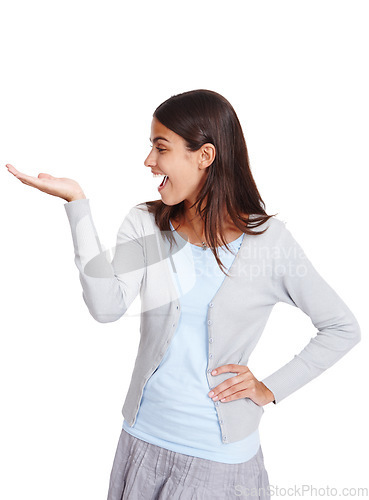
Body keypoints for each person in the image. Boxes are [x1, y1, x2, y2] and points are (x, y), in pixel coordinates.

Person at [5, 89, 361, 500]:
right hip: (141, 441)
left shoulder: (270, 245)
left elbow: (341, 327)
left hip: (218, 461)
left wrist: (270, 388)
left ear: (204, 155)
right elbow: (106, 308)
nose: (148, 161)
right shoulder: (146, 224)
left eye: (161, 148)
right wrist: (77, 204)